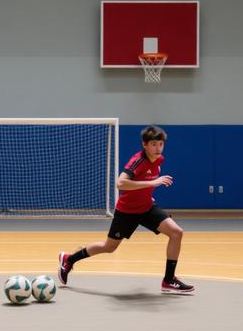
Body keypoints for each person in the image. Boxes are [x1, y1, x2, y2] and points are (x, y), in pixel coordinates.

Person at [57, 125, 194, 295]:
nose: (158, 148)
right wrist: (152, 183)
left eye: (160, 144)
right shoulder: (138, 160)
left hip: (146, 208)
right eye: (153, 144)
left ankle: (168, 280)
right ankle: (69, 259)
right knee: (109, 247)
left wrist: (147, 193)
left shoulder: (159, 160)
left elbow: (144, 180)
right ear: (145, 145)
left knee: (176, 232)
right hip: (127, 212)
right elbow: (120, 183)